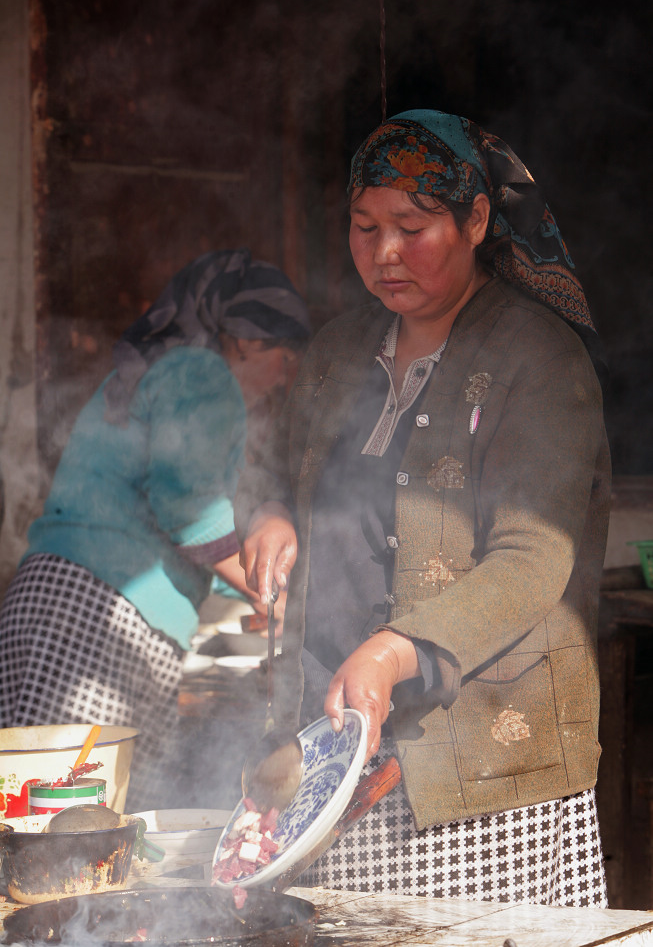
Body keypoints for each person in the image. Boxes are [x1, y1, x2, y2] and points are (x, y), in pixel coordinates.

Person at [235, 111, 611, 907]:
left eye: (411, 226)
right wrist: (271, 514)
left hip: (481, 775)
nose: (384, 253)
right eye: (364, 226)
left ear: (475, 218)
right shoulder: (337, 354)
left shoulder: (536, 358)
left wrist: (396, 649)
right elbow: (275, 463)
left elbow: (533, 557)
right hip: (342, 751)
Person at [0, 248, 311, 811]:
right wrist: (271, 590)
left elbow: (188, 532)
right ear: (245, 340)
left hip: (66, 602)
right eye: (286, 360)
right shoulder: (201, 372)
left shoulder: (173, 372)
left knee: (59, 816)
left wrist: (239, 587)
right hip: (93, 618)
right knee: (67, 818)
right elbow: (187, 509)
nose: (285, 380)